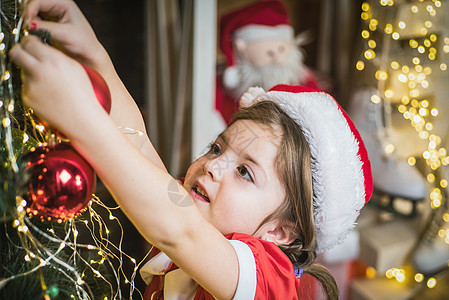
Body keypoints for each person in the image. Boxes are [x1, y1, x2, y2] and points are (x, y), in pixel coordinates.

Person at [10, 0, 373, 299]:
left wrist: (82, 120)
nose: (213, 166)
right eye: (217, 149)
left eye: (245, 171)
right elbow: (136, 143)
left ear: (279, 233)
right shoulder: (200, 218)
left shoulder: (268, 279)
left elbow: (177, 230)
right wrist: (93, 55)